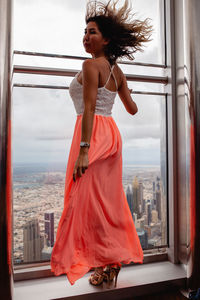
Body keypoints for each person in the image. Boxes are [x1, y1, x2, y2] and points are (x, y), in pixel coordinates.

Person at [50, 0, 153, 288]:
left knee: (86, 200)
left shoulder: (90, 64)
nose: (86, 36)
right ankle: (111, 262)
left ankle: (105, 260)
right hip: (111, 134)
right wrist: (127, 90)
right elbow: (132, 109)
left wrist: (84, 150)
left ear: (106, 39)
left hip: (92, 133)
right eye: (84, 31)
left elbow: (90, 108)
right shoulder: (116, 71)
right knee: (107, 202)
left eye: (92, 32)